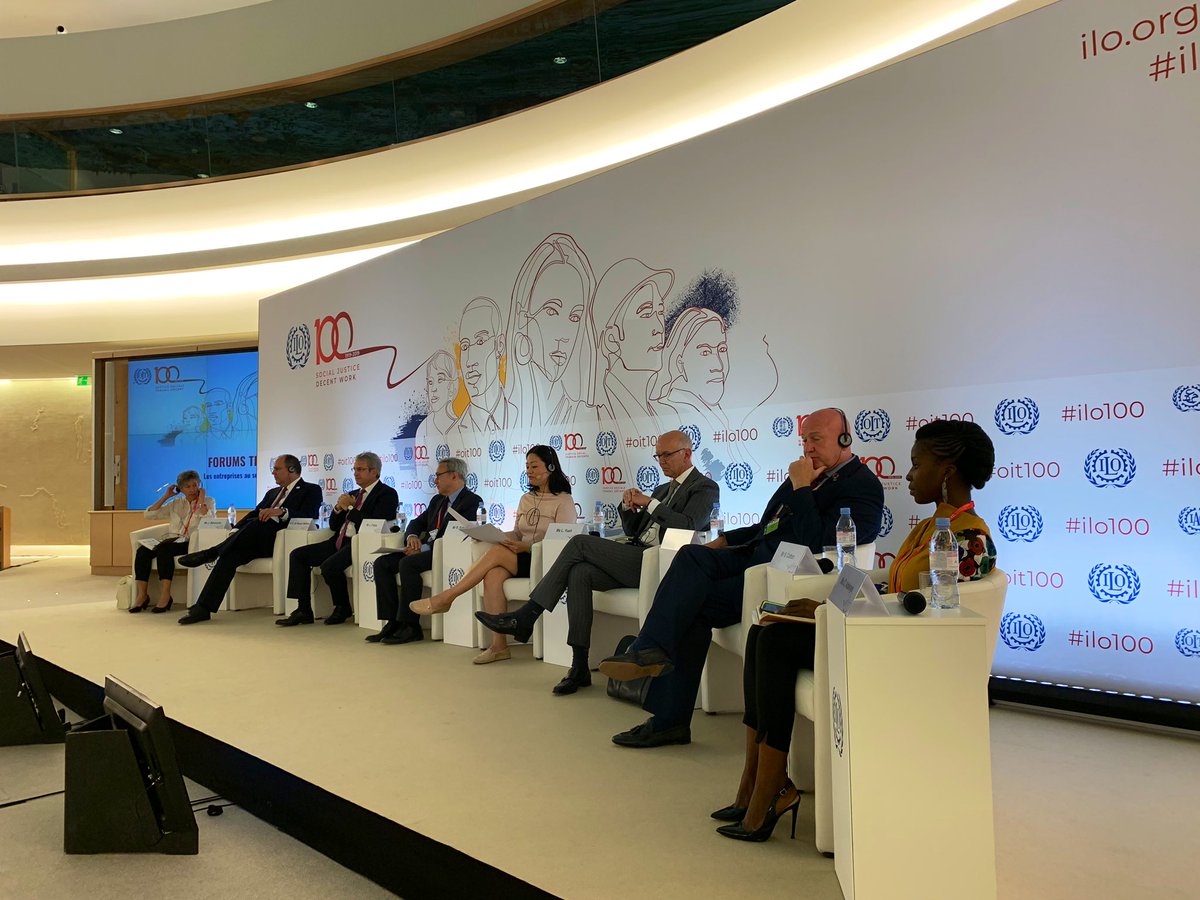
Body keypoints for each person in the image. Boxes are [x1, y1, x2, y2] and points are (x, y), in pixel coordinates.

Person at [714, 419, 997, 842]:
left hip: (903, 653)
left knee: (773, 643)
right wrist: (827, 606)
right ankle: (755, 780)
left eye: (917, 465)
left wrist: (835, 611)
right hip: (879, 634)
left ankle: (772, 788)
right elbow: (895, 590)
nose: (909, 475)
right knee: (763, 631)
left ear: (947, 471)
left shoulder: (970, 538)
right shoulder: (930, 526)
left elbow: (936, 613)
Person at [599, 408, 884, 748]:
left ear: (844, 439)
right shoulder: (805, 473)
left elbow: (814, 538)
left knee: (693, 606)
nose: (807, 447)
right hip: (754, 554)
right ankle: (649, 651)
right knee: (691, 555)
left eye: (816, 439)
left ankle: (666, 715)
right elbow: (769, 525)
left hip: (783, 575)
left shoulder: (862, 485)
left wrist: (802, 487)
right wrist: (726, 540)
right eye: (804, 439)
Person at [475, 430, 718, 694]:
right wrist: (626, 507)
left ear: (687, 453)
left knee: (580, 542)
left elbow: (688, 525)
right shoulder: (662, 489)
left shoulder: (704, 487)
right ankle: (579, 666)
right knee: (580, 573)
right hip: (635, 554)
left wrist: (650, 503)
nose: (661, 461)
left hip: (661, 563)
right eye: (658, 455)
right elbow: (634, 530)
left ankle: (528, 614)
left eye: (666, 455)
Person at [409, 445, 575, 664]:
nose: (529, 471)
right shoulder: (526, 498)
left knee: (496, 553)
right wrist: (493, 535)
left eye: (534, 466)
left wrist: (527, 547)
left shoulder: (564, 500)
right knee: (492, 575)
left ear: (551, 467)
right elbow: (518, 533)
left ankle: (446, 597)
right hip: (521, 557)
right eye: (527, 466)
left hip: (545, 559)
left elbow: (562, 542)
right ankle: (499, 647)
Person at [176, 454, 322, 625]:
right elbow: (254, 513)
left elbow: (309, 514)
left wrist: (282, 512)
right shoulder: (273, 492)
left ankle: (211, 553)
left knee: (257, 524)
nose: (273, 472)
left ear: (291, 469)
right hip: (254, 540)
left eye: (277, 469)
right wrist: (235, 530)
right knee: (229, 557)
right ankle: (203, 608)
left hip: (281, 541)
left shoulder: (310, 489)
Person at [367, 457, 482, 645]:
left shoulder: (472, 501)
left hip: (445, 553)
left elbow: (456, 534)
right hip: (424, 549)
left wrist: (424, 547)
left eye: (438, 475)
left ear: (454, 476)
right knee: (382, 563)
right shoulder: (438, 500)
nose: (435, 480)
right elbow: (416, 522)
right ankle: (392, 622)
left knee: (407, 564)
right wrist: (412, 537)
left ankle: (410, 626)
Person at [276, 452, 399, 628]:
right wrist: (338, 509)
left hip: (360, 543)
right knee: (298, 555)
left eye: (360, 469)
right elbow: (334, 525)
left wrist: (350, 507)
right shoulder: (352, 494)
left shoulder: (387, 494)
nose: (356, 473)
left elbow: (373, 523)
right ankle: (303, 609)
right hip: (338, 540)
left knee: (329, 566)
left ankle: (342, 607)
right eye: (354, 469)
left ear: (374, 472)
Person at [506, 233, 598, 432]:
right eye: (551, 311)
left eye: (575, 317)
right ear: (524, 316)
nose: (564, 336)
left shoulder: (584, 415)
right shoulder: (506, 414)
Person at [130, 470, 215, 613]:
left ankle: (165, 595)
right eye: (187, 487)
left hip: (191, 542)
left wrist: (201, 500)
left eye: (195, 485)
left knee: (165, 550)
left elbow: (209, 522)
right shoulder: (175, 503)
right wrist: (165, 497)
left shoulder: (209, 501)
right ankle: (142, 595)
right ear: (180, 489)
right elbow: (149, 514)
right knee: (143, 551)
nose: (192, 489)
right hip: (172, 540)